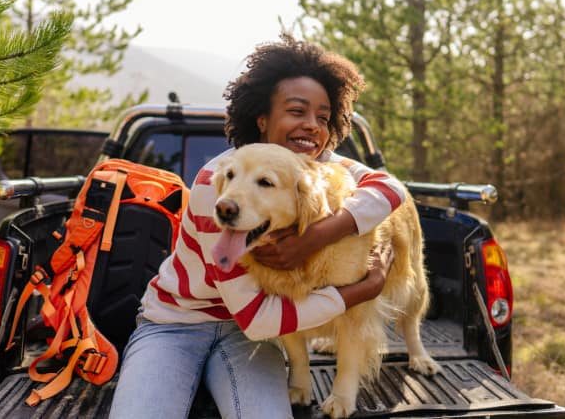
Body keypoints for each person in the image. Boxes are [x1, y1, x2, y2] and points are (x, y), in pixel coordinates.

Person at [109, 35, 408, 419]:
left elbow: (390, 187)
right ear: (263, 119)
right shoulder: (217, 182)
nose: (311, 126)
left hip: (250, 337)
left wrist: (315, 236)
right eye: (297, 111)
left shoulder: (320, 167)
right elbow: (258, 317)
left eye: (322, 116)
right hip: (176, 324)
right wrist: (359, 292)